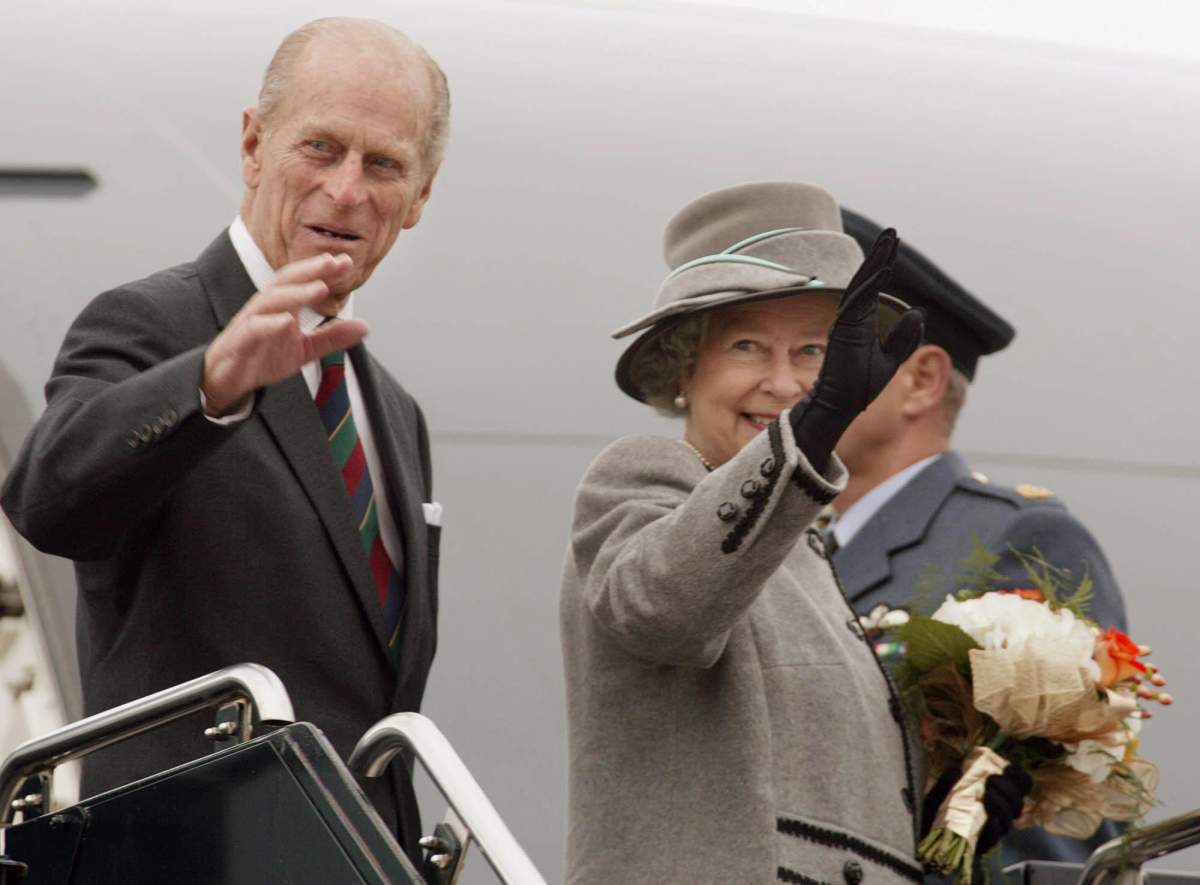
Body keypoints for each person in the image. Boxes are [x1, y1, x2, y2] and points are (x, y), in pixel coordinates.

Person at [0, 17, 448, 853]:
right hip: (187, 851)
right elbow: (47, 499)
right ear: (253, 146)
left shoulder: (392, 412)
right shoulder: (154, 326)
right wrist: (212, 383)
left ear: (419, 195)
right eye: (320, 147)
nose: (347, 190)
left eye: (383, 163)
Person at [561, 180, 976, 883]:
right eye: (748, 345)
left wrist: (961, 796)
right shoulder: (642, 477)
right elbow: (663, 611)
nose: (784, 384)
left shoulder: (805, 540)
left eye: (814, 352)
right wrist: (812, 429)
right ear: (683, 368)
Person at [829, 208, 1129, 867]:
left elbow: (1058, 818)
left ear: (921, 379)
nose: (792, 380)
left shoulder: (1016, 540)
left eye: (818, 350)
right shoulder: (804, 554)